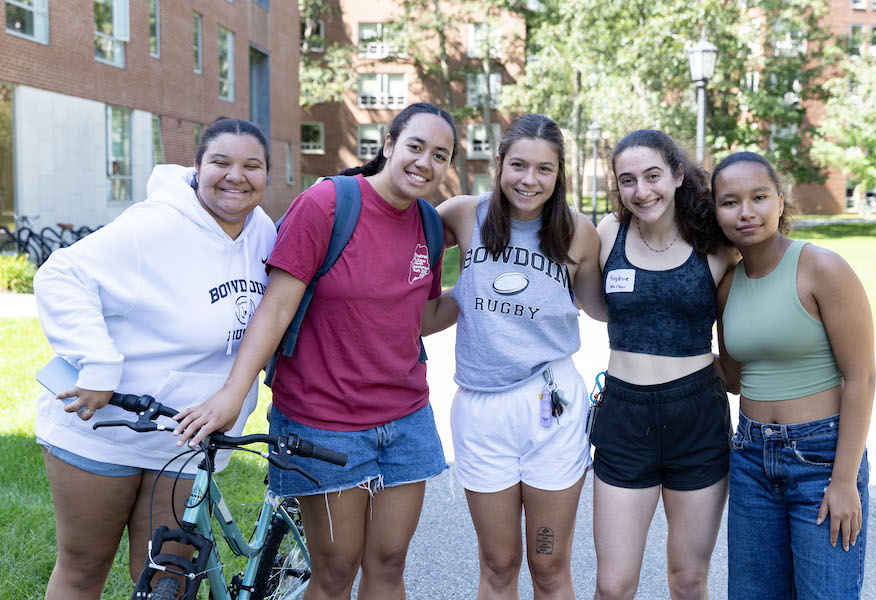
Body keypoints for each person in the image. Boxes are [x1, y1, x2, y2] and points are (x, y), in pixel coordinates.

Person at [172, 102, 458, 600]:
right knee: (336, 569)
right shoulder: (328, 204)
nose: (425, 163)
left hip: (407, 420)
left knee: (388, 563)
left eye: (440, 154)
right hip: (323, 420)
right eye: (415, 147)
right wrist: (233, 395)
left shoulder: (428, 225)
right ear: (389, 145)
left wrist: (477, 296)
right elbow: (275, 308)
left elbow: (417, 317)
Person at [33, 117, 276, 600]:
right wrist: (98, 366)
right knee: (85, 566)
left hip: (190, 438)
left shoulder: (262, 232)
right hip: (107, 428)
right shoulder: (154, 225)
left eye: (252, 166)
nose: (236, 176)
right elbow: (60, 275)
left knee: (169, 576)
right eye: (221, 163)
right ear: (196, 167)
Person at [423, 113, 606, 599]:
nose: (530, 180)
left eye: (545, 169)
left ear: (559, 175)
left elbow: (603, 310)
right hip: (481, 409)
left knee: (548, 567)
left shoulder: (577, 232)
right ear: (499, 162)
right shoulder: (464, 214)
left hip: (552, 407)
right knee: (498, 564)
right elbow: (396, 243)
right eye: (519, 165)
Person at [712, 152, 874, 599]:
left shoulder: (823, 268)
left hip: (822, 459)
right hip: (750, 459)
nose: (746, 211)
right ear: (716, 213)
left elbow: (862, 379)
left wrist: (844, 482)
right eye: (730, 202)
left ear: (781, 202)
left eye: (759, 197)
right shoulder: (727, 287)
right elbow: (732, 377)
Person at [590, 129, 736, 600]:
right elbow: (593, 305)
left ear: (676, 175)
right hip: (623, 414)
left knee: (688, 580)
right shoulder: (608, 234)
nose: (641, 190)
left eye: (653, 175)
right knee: (613, 586)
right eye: (627, 180)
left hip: (695, 415)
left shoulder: (715, 244)